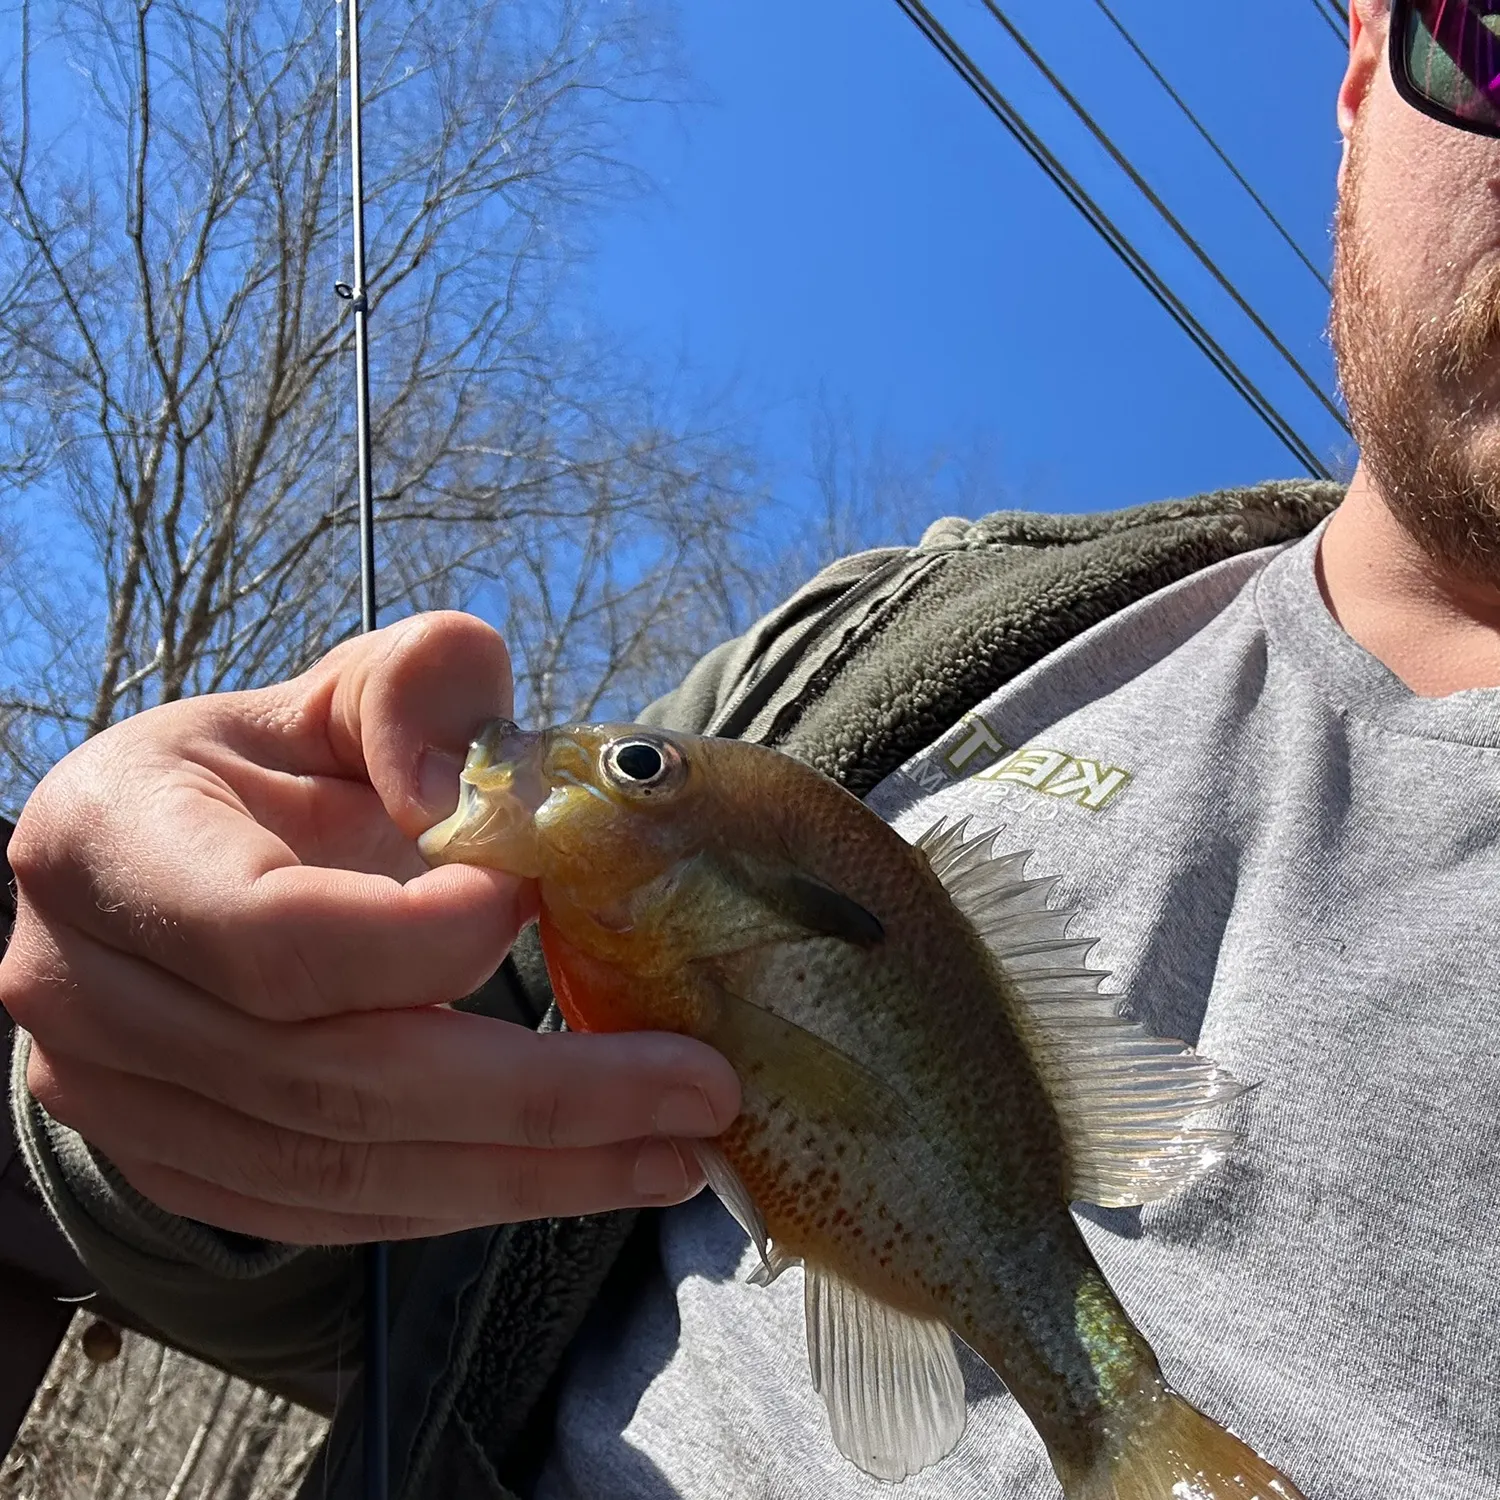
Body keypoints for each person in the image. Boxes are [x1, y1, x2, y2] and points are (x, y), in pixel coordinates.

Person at [4, 3, 1497, 1495]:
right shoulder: (874, 649)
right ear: (1365, 58)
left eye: (636, 773)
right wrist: (185, 1058)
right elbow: (327, 1275)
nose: (615, 771)